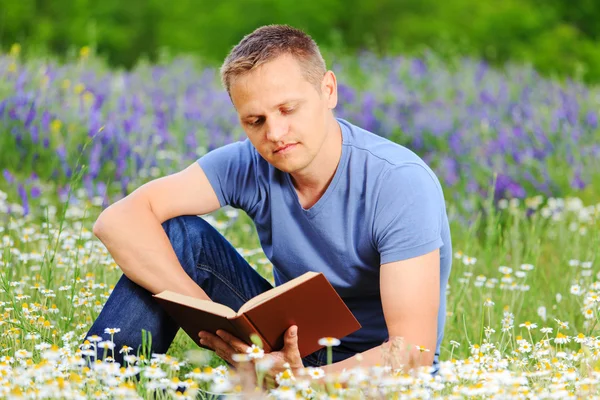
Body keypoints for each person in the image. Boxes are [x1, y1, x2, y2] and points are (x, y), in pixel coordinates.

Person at [84, 24, 452, 377]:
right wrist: (212, 316)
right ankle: (98, 385)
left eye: (288, 109)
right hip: (290, 346)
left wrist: (300, 383)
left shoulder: (399, 182)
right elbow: (117, 221)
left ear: (328, 90)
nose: (274, 134)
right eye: (255, 121)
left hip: (375, 374)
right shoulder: (249, 162)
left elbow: (411, 355)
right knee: (179, 234)